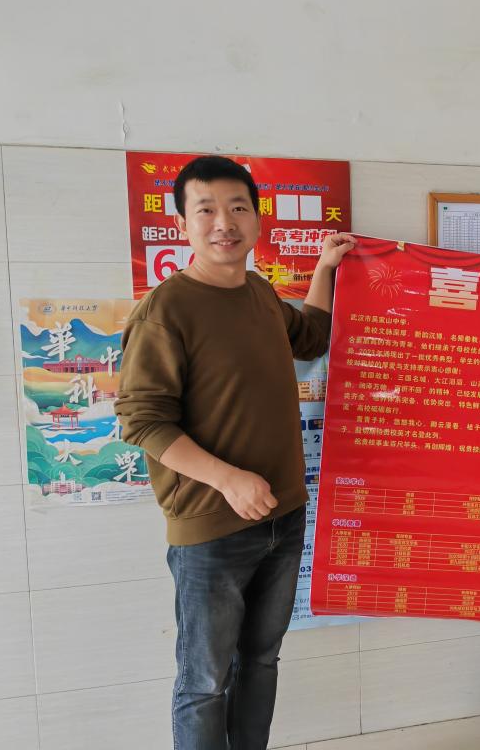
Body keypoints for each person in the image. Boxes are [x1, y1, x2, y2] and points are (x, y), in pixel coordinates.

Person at [115, 155, 356, 750]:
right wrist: (227, 479)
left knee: (261, 660)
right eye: (206, 210)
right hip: (211, 529)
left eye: (238, 208)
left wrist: (325, 267)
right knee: (205, 681)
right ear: (182, 225)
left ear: (256, 220)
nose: (224, 222)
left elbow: (311, 336)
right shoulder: (166, 310)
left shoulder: (259, 293)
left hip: (283, 516)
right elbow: (142, 420)